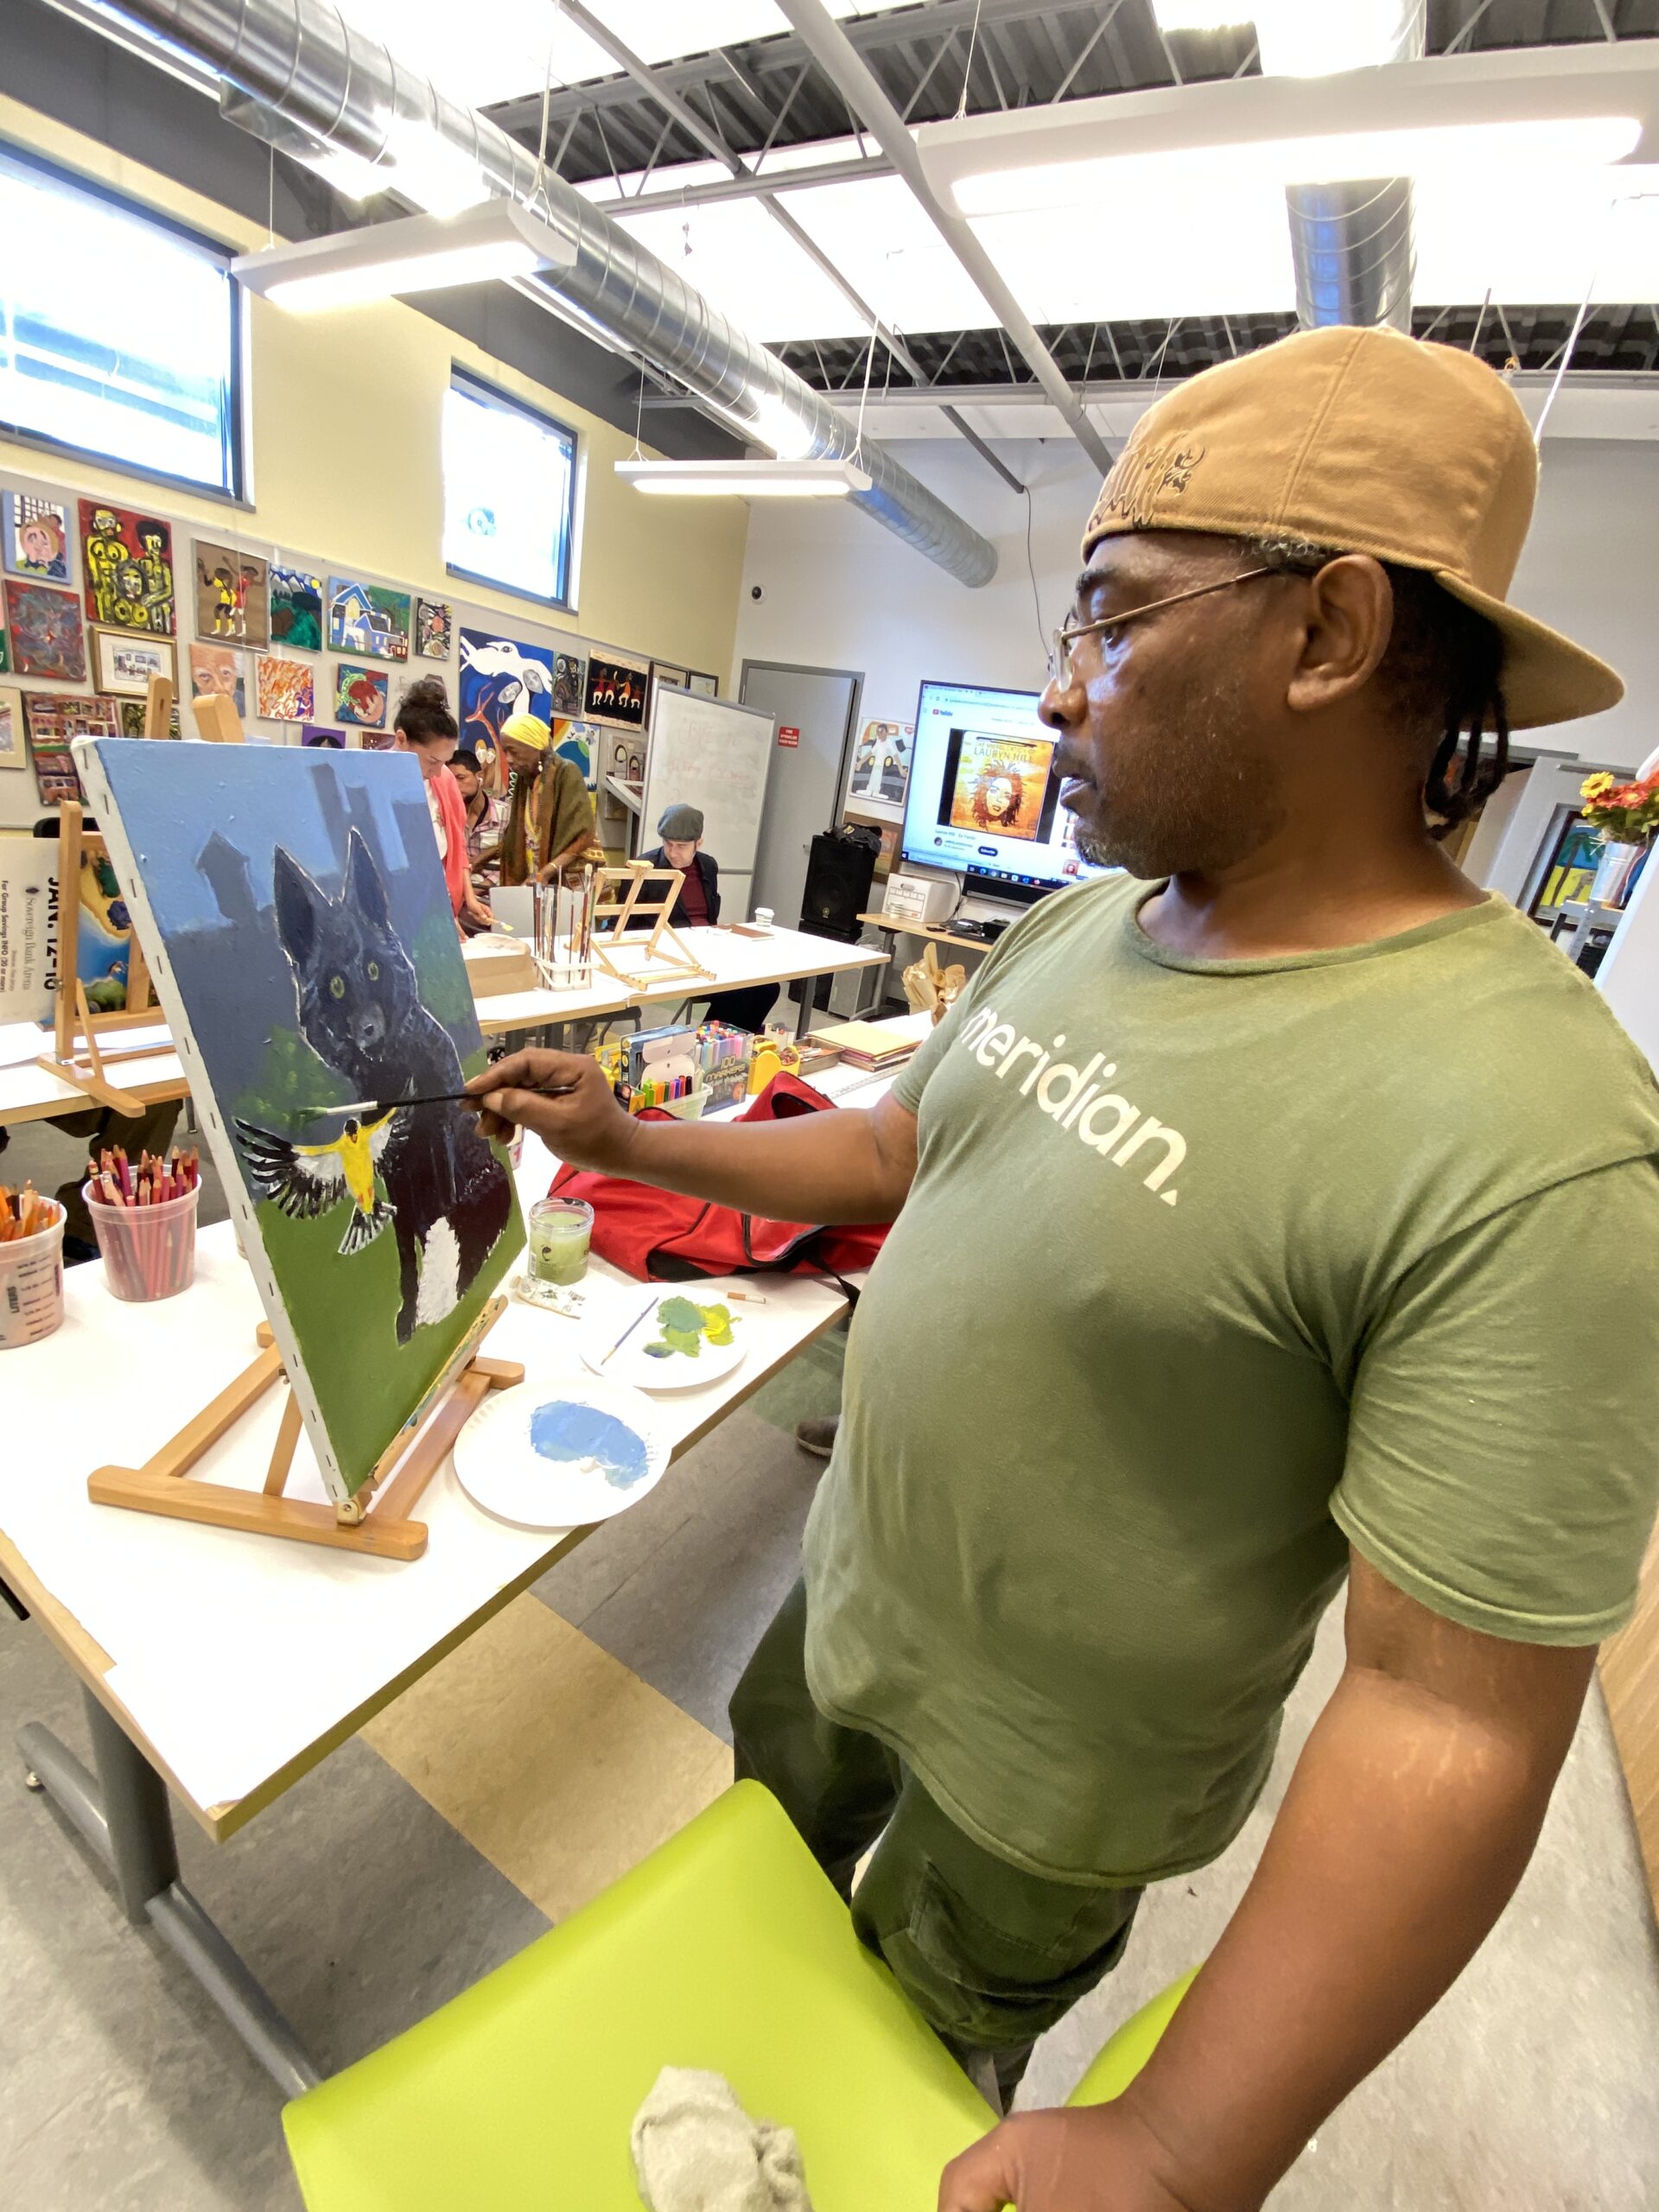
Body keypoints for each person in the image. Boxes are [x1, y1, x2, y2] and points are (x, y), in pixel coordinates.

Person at [465, 327, 1659, 2212]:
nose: (1055, 694)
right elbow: (888, 1151)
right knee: (752, 1923)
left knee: (891, 2101)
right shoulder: (1093, 922)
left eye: (1106, 623)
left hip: (1044, 1787)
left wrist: (1187, 2138)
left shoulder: (1530, 1127)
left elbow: (1451, 1708)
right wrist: (633, 1138)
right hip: (842, 1617)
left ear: (1331, 633)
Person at [645, 802, 779, 1034]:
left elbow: (709, 916)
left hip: (708, 950)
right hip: (670, 955)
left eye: (681, 846)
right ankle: (708, 1042)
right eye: (668, 844)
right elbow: (625, 926)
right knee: (738, 991)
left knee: (768, 987)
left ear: (699, 843)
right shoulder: (646, 867)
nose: (673, 852)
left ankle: (731, 1042)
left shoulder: (707, 865)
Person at [391, 677, 492, 933]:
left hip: (442, 905)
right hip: (398, 907)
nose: (437, 772)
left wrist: (469, 899)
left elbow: (457, 846)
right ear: (401, 739)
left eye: (444, 762)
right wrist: (437, 913)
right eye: (432, 761)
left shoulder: (444, 779)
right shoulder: (376, 780)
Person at [494, 713, 600, 887]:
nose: (509, 760)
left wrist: (545, 873)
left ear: (535, 747)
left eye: (513, 751)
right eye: (505, 752)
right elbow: (520, 837)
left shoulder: (567, 772)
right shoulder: (525, 779)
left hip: (567, 881)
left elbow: (583, 836)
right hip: (536, 879)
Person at [451, 746, 507, 906]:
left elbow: (510, 865)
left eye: (461, 778)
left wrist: (475, 891)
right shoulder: (445, 816)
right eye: (450, 779)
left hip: (493, 897)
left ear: (480, 776)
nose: (455, 785)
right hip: (455, 898)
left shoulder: (505, 814)